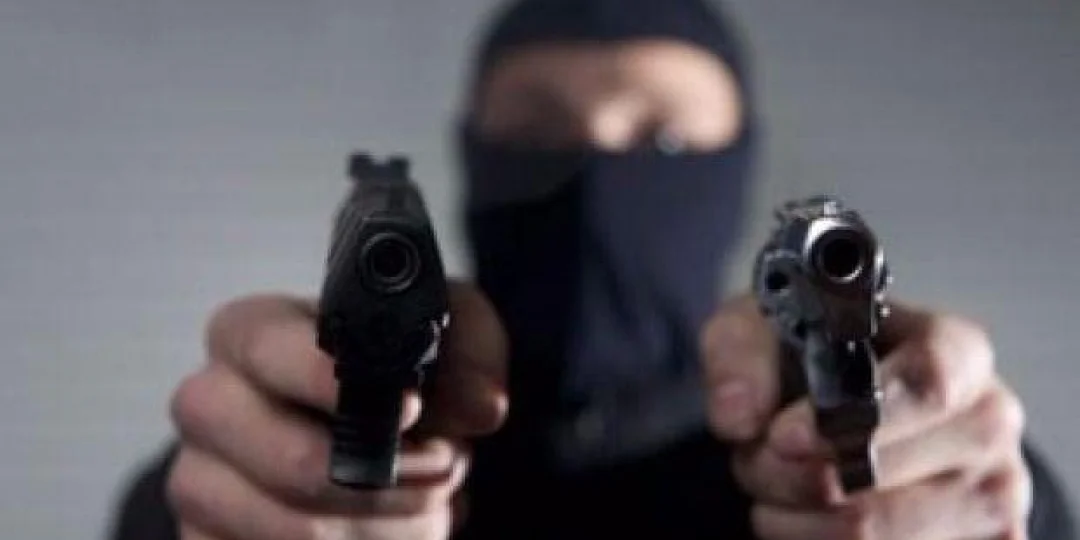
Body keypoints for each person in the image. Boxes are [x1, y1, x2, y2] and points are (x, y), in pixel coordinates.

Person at [110, 0, 1077, 538]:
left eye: (662, 144)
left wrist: (988, 499)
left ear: (735, 167)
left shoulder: (898, 472)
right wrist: (197, 509)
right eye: (538, 135)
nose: (596, 179)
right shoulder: (276, 469)